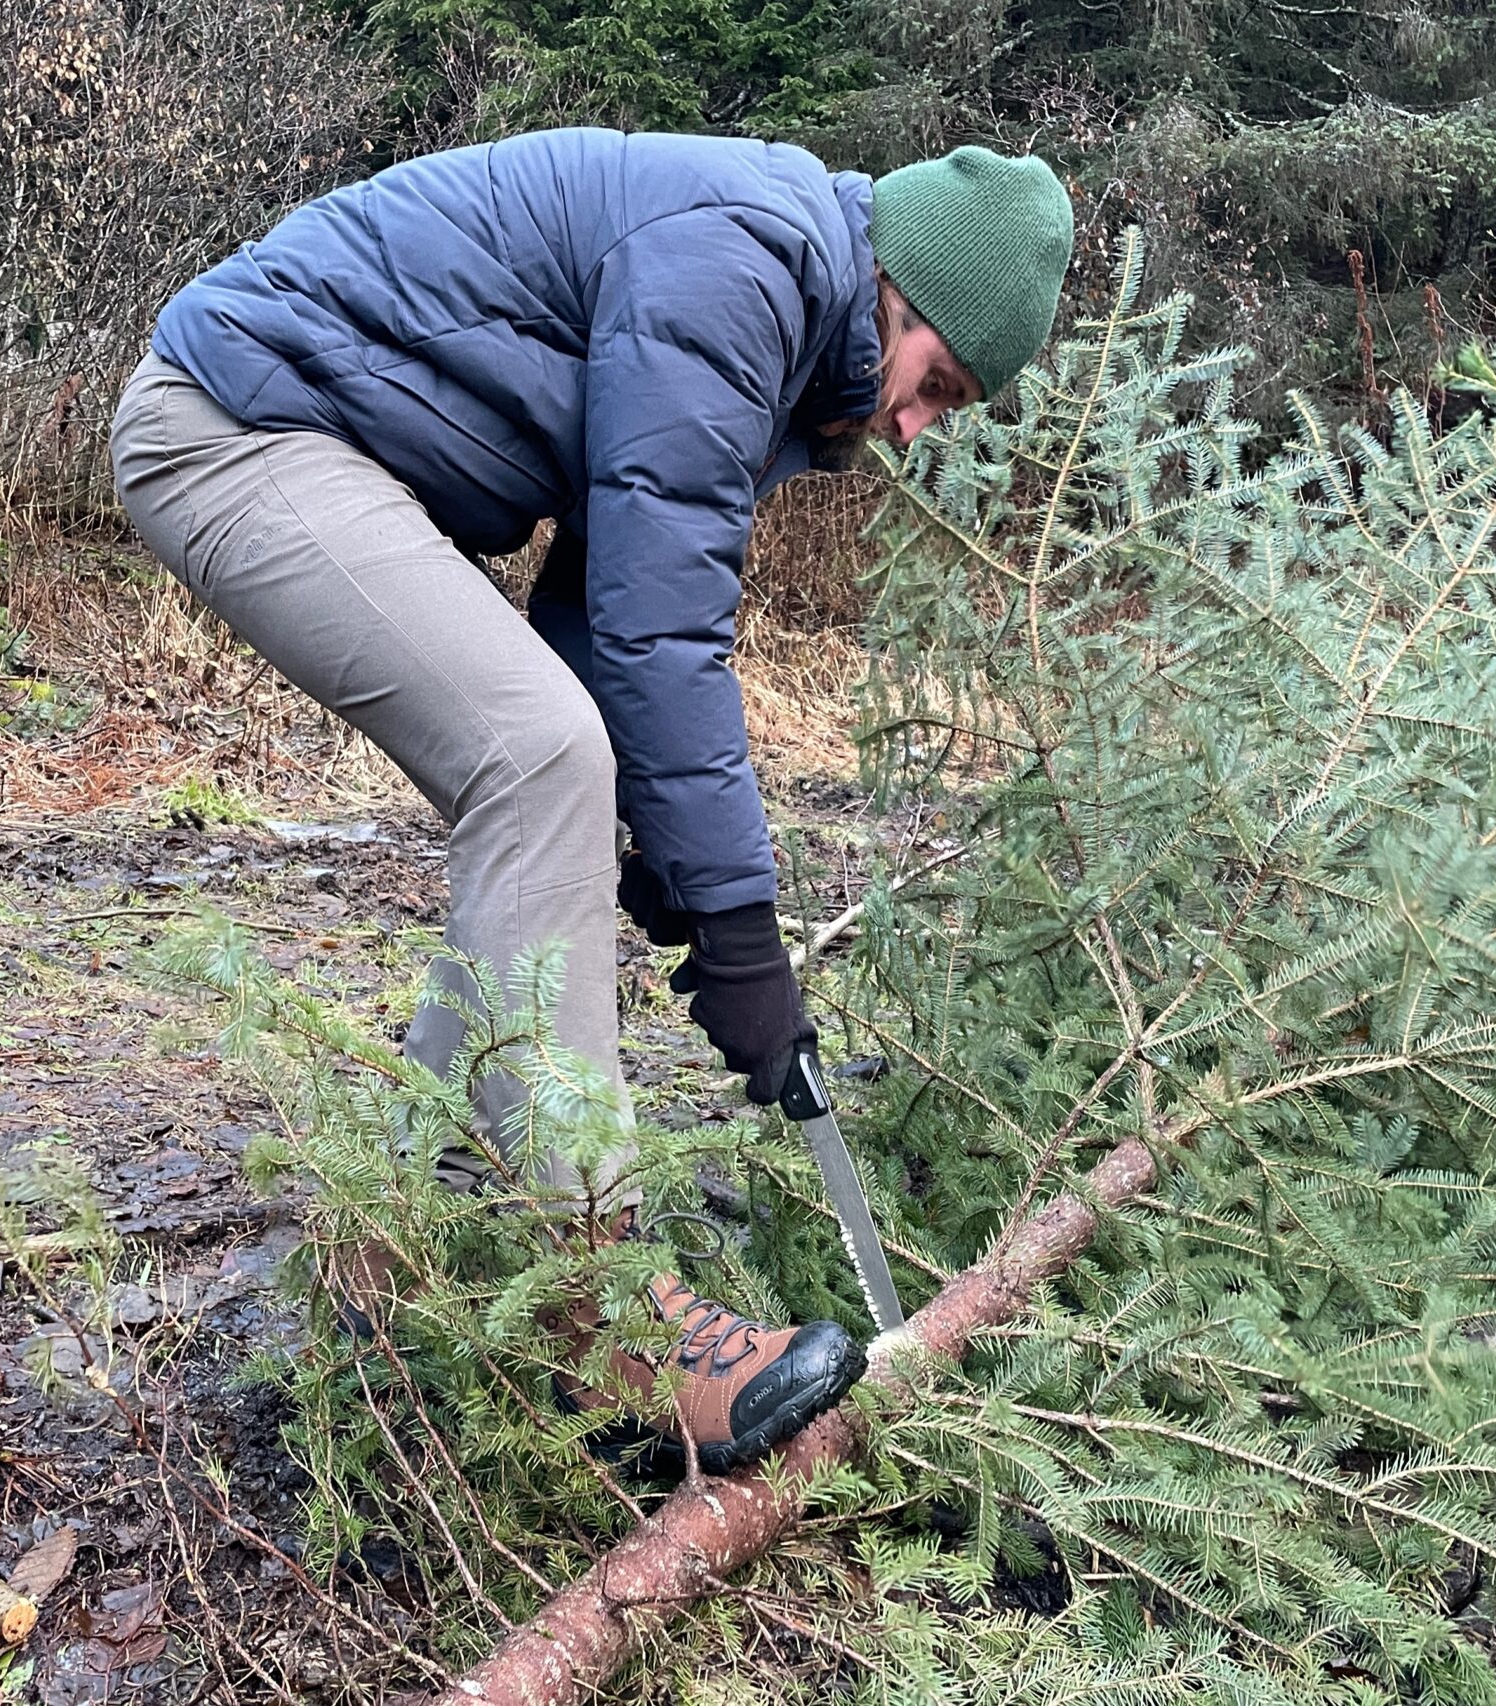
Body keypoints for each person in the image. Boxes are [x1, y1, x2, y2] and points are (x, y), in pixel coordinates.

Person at [112, 127, 1072, 1471]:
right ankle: (598, 1302)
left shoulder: (777, 300)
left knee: (559, 761)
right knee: (542, 759)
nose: (916, 425)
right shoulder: (746, 258)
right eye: (936, 380)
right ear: (895, 290)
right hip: (237, 425)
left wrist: (674, 870)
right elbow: (663, 631)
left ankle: (398, 1263)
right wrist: (739, 928)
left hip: (291, 431)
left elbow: (597, 594)